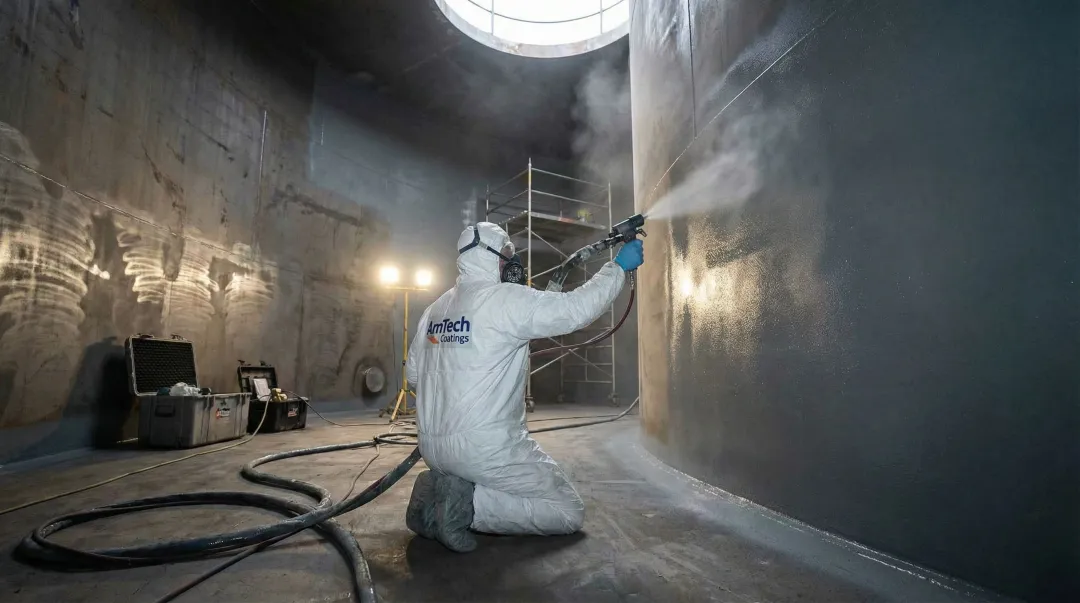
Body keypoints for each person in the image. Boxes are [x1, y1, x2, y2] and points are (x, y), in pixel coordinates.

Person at [403, 221, 645, 552]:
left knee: (493, 479)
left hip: (432, 449)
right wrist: (617, 268)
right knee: (565, 511)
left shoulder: (435, 309)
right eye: (508, 254)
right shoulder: (505, 300)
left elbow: (414, 376)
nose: (513, 263)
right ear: (490, 257)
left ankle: (440, 489)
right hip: (486, 448)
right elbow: (574, 310)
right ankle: (463, 506)